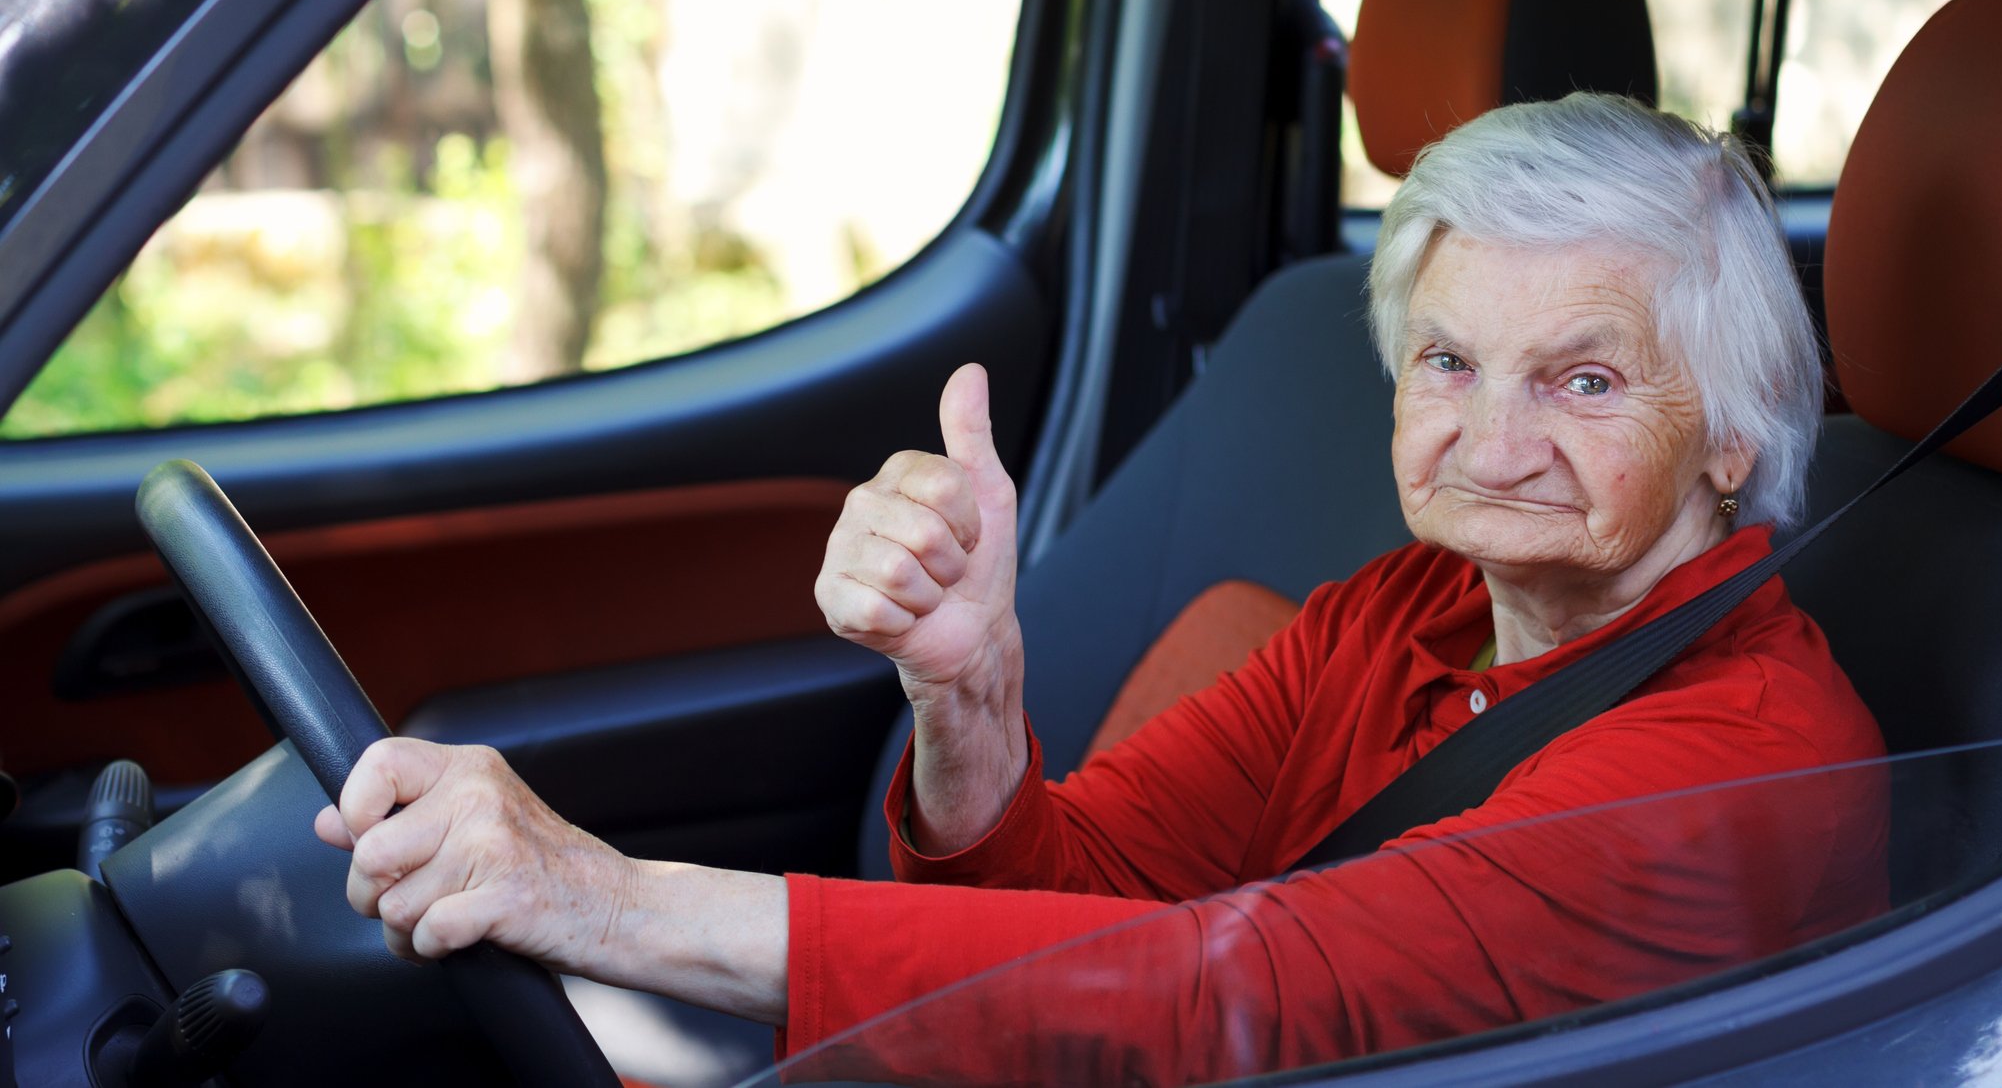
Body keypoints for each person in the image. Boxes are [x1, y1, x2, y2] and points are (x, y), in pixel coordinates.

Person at [314, 93, 1887, 1083]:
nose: (1489, 438)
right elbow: (1067, 912)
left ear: (1735, 434)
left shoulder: (1737, 764)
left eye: (1585, 378)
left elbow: (1219, 1000)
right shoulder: (1400, 609)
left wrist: (597, 895)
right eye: (1447, 359)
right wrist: (968, 683)